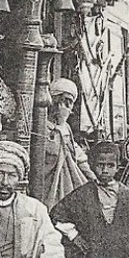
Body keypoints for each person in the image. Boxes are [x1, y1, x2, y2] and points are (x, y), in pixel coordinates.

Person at [43, 77, 93, 209]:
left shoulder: (66, 128)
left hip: (69, 180)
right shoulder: (43, 126)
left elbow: (76, 152)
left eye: (69, 103)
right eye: (61, 101)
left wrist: (91, 175)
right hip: (48, 184)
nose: (64, 107)